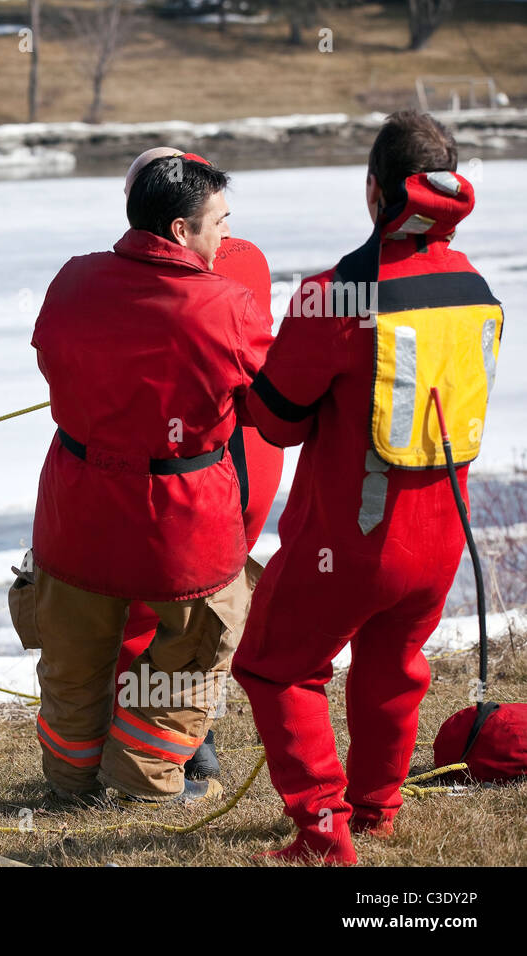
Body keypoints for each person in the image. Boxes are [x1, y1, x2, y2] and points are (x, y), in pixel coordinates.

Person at [232, 111, 505, 864]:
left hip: (351, 539)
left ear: (374, 189)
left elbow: (276, 420)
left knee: (275, 665)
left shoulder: (338, 292)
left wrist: (245, 382)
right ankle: (377, 810)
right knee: (393, 669)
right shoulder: (475, 286)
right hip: (444, 534)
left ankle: (323, 829)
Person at [13, 156, 273, 804]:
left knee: (72, 659)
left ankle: (70, 784)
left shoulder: (72, 280)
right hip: (179, 520)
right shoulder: (227, 305)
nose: (226, 238)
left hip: (77, 509)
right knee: (197, 643)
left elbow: (51, 357)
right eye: (220, 223)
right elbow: (271, 411)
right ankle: (142, 779)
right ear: (183, 231)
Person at [114, 149, 286, 780]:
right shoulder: (250, 257)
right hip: (250, 450)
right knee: (210, 598)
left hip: (206, 456)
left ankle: (177, 745)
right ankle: (185, 735)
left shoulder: (196, 264)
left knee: (164, 602)